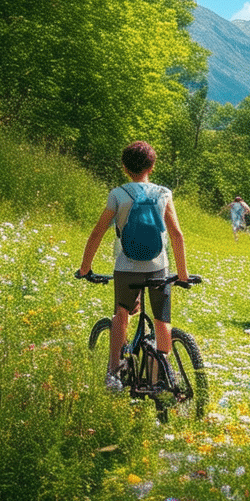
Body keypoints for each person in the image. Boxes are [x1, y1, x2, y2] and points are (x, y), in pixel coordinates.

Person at [77, 141, 189, 392]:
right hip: (158, 267)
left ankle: (113, 374)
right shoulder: (163, 193)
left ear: (124, 167)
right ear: (153, 165)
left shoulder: (118, 194)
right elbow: (177, 235)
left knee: (122, 315)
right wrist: (182, 274)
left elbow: (96, 234)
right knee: (162, 322)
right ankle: (160, 374)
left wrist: (85, 268)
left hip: (127, 267)